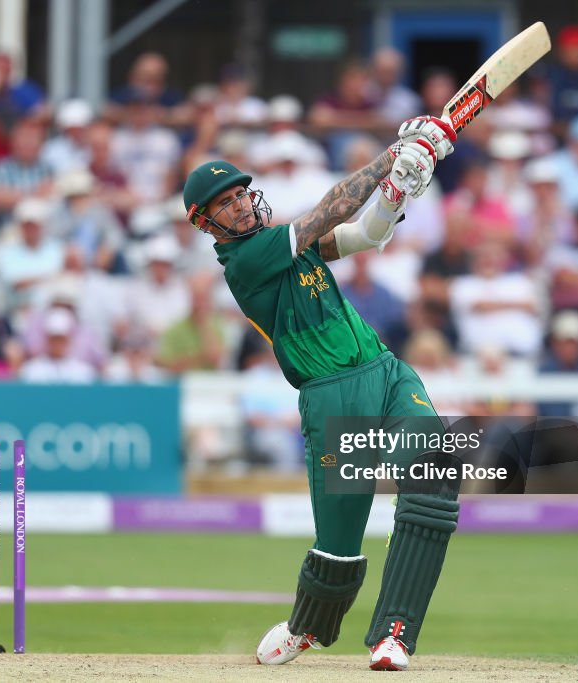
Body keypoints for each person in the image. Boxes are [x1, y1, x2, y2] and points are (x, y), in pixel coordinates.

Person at [181, 114, 458, 671]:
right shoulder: (246, 263)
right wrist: (394, 154)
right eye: (224, 203)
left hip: (386, 371)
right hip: (332, 397)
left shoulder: (285, 244)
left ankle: (395, 633)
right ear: (204, 223)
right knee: (338, 549)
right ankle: (308, 625)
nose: (239, 204)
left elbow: (367, 233)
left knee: (434, 471)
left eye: (241, 193)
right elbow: (331, 209)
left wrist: (401, 185)